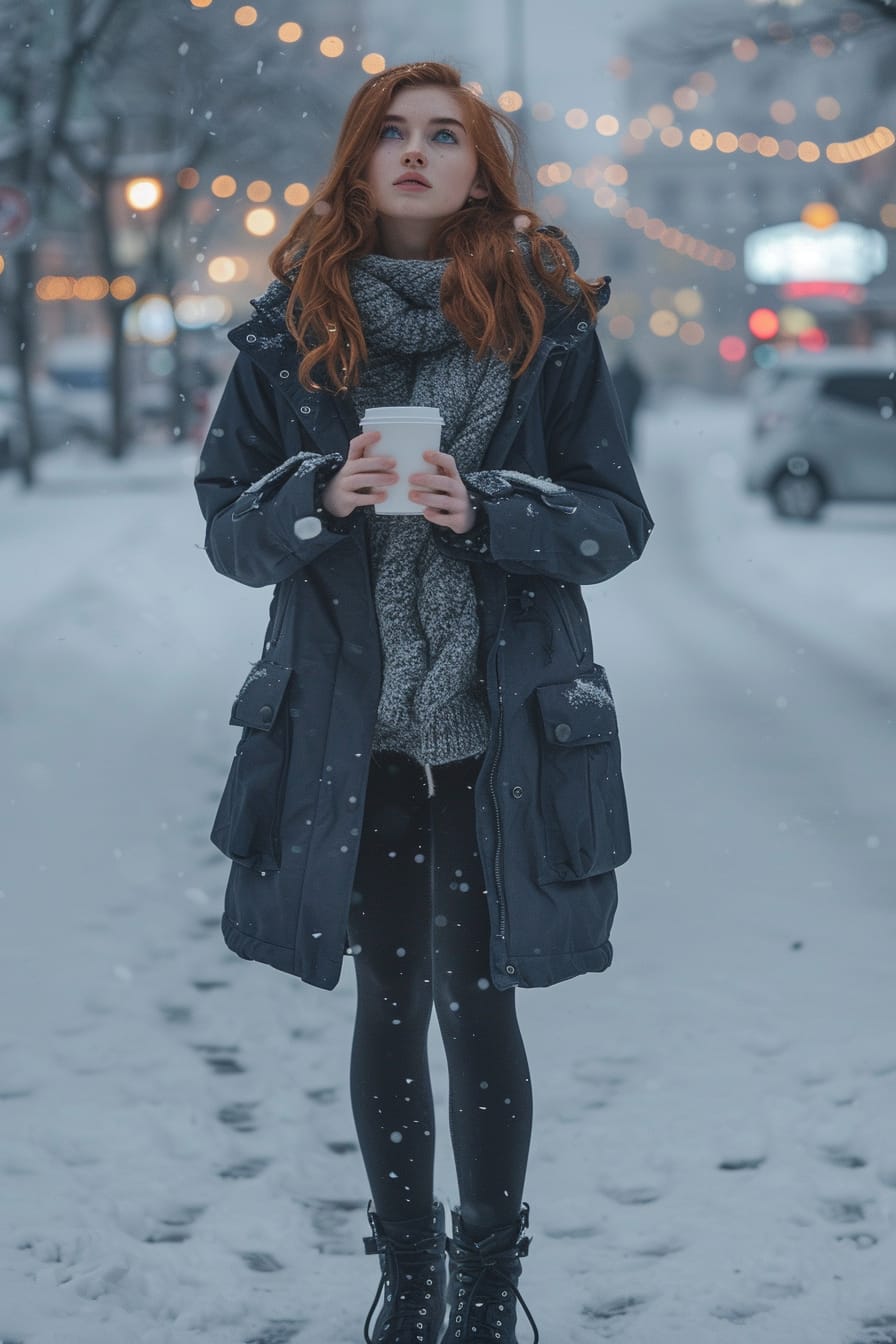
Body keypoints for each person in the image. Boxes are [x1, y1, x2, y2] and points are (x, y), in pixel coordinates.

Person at [195, 60, 652, 1344]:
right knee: (386, 1000)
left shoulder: (544, 324)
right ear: (356, 161)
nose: (414, 152)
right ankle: (407, 1281)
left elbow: (615, 522)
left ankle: (487, 1288)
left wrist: (494, 509)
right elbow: (228, 532)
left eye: (442, 136)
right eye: (390, 132)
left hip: (497, 727)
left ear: (477, 169)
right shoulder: (289, 331)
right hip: (354, 733)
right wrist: (315, 496)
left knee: (479, 1002)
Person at [611, 352, 645, 458]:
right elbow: (640, 389)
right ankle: (628, 450)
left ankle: (620, 450)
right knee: (629, 429)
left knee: (620, 429)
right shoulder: (634, 375)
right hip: (629, 407)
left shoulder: (617, 375)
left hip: (621, 407)